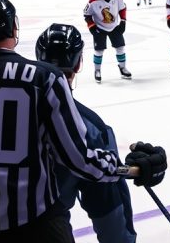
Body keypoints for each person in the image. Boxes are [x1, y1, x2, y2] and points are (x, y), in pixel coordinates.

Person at [0, 0, 166, 243]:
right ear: (14, 27)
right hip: (34, 228)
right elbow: (80, 159)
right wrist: (129, 170)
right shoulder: (45, 79)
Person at [36, 23, 144, 243]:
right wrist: (135, 170)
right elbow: (109, 211)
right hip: (49, 230)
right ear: (78, 64)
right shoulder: (90, 128)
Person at [84, 0, 132, 83]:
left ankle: (123, 68)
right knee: (99, 50)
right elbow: (86, 15)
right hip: (100, 28)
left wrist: (123, 21)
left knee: (120, 47)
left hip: (114, 27)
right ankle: (97, 70)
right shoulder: (93, 0)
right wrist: (92, 27)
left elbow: (122, 8)